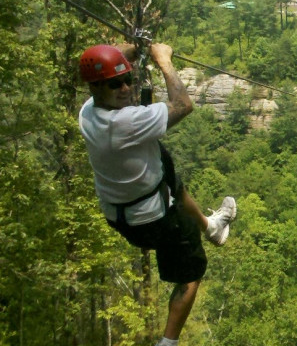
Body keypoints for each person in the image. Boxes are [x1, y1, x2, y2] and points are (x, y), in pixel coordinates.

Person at [78, 42, 237, 346]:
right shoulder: (125, 122)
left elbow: (114, 62)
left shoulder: (88, 112)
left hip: (118, 211)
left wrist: (133, 49)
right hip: (153, 221)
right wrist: (163, 60)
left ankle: (211, 226)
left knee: (164, 163)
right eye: (116, 84)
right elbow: (183, 105)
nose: (125, 88)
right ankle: (168, 342)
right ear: (97, 87)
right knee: (191, 273)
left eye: (128, 79)